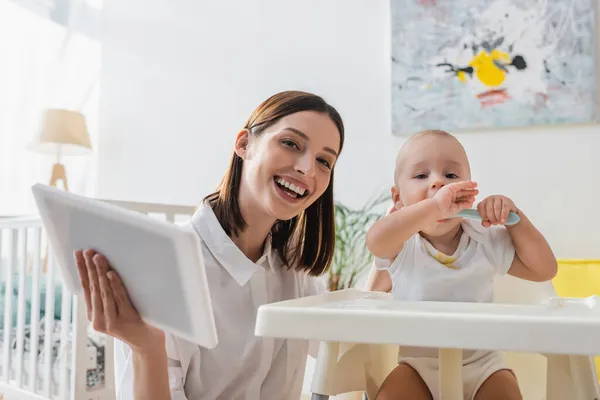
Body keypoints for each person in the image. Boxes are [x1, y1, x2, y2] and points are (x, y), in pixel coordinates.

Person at [73, 90, 345, 399]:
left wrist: (387, 260)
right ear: (244, 144)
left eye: (324, 161)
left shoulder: (294, 269)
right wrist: (146, 348)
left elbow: (339, 352)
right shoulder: (166, 268)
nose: (307, 169)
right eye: (290, 143)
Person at [365, 129, 557, 400]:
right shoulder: (402, 244)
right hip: (418, 365)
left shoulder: (485, 239)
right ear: (398, 199)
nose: (438, 183)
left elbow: (544, 269)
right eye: (421, 176)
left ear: (469, 189)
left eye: (451, 176)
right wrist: (434, 208)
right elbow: (376, 241)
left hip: (483, 366)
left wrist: (516, 218)